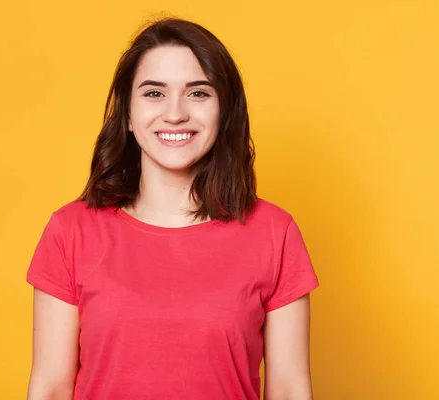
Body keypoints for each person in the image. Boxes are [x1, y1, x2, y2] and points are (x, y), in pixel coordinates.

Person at [25, 17, 319, 400]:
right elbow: (49, 388)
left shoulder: (275, 232)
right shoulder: (70, 231)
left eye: (198, 93)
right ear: (128, 114)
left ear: (224, 111)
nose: (175, 113)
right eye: (154, 93)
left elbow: (289, 389)